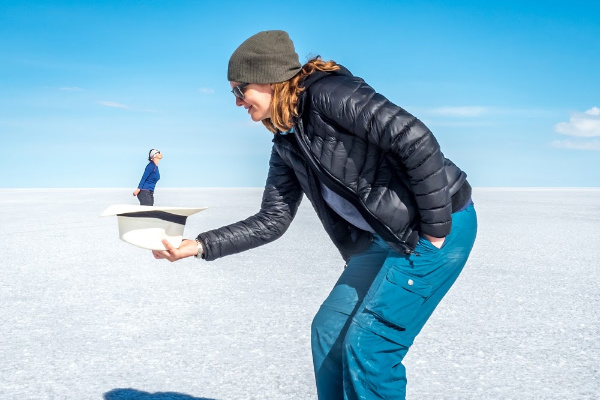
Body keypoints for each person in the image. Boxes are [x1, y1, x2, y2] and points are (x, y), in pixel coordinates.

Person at [152, 30, 477, 399]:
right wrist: (198, 245)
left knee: (369, 345)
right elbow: (272, 219)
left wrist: (435, 229)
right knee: (329, 330)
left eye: (239, 90)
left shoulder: (330, 94)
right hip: (383, 237)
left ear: (268, 79)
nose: (238, 102)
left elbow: (415, 138)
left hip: (435, 228)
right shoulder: (288, 141)